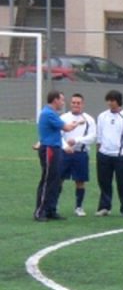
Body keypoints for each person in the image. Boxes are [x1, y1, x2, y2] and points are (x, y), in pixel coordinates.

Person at [35, 90, 80, 220]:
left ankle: (50, 210)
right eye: (61, 100)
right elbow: (67, 128)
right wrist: (77, 123)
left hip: (55, 149)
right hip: (49, 149)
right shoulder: (49, 113)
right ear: (55, 100)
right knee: (48, 180)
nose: (62, 102)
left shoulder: (51, 113)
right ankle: (40, 211)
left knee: (54, 181)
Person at [95, 89, 123, 218]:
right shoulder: (102, 116)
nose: (110, 103)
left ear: (118, 101)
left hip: (120, 156)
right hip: (104, 155)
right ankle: (104, 207)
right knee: (104, 182)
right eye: (108, 100)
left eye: (112, 100)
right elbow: (99, 136)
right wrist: (99, 153)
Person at [60, 92, 96, 217]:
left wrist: (77, 140)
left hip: (81, 153)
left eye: (78, 103)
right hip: (64, 154)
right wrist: (65, 146)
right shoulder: (63, 117)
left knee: (80, 181)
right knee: (59, 179)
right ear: (70, 103)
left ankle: (79, 207)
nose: (76, 105)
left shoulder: (89, 119)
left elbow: (92, 137)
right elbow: (58, 135)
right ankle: (54, 205)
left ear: (83, 104)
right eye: (74, 103)